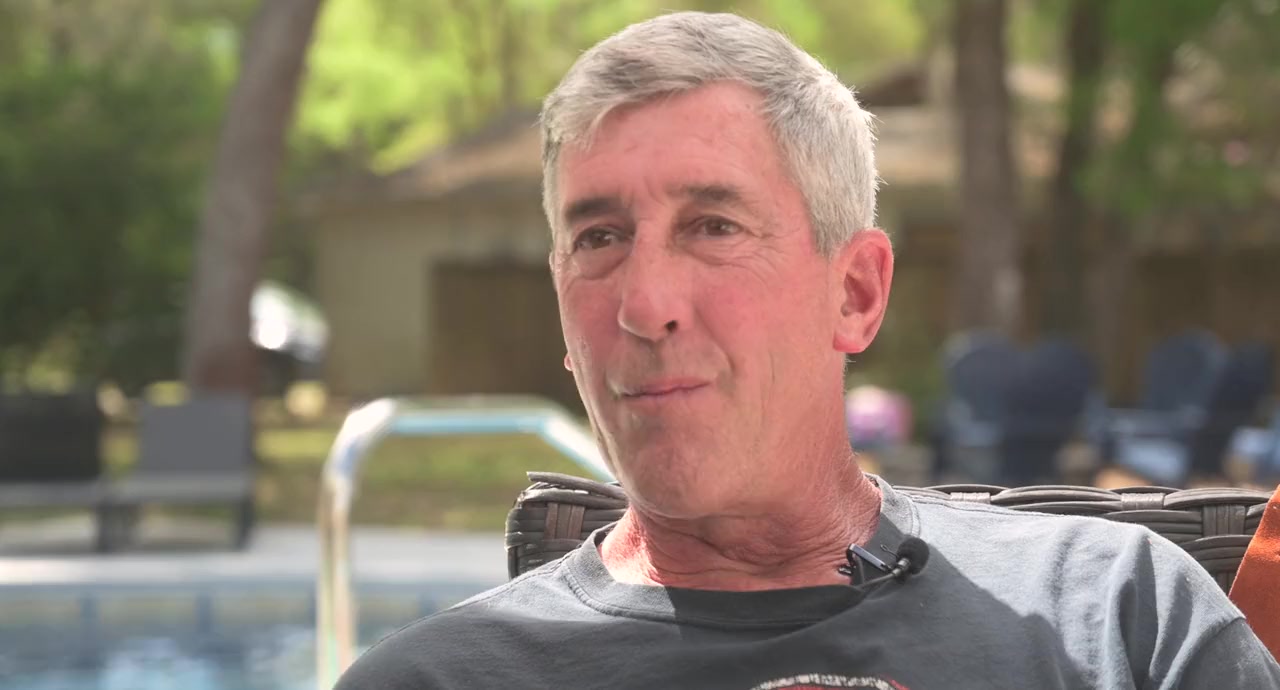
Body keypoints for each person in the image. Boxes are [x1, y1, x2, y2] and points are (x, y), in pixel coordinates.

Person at [336, 12, 1280, 689]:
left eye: (713, 226)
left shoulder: (1114, 614)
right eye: (599, 239)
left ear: (855, 292)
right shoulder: (437, 678)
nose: (644, 305)